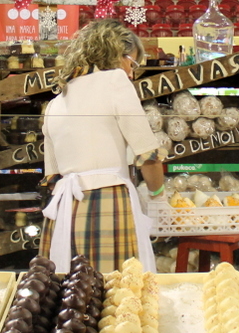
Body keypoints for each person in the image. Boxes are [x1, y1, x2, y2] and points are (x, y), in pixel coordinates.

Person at [39, 19, 165, 274]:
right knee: (117, 296)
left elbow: (52, 176)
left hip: (64, 212)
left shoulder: (55, 103)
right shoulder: (116, 82)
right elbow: (147, 155)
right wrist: (159, 199)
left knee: (72, 299)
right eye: (132, 63)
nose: (131, 73)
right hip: (108, 204)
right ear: (116, 54)